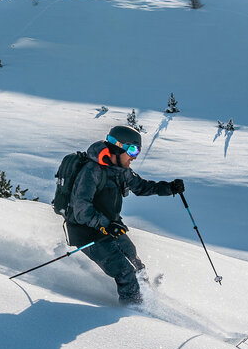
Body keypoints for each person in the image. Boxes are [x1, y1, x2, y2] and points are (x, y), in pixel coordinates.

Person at [65, 125, 185, 304]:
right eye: (133, 150)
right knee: (125, 271)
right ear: (118, 147)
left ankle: (148, 302)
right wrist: (106, 224)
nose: (134, 157)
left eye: (138, 152)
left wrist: (169, 188)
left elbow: (141, 187)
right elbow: (81, 209)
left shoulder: (121, 170)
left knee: (137, 265)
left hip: (110, 227)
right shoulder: (92, 171)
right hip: (87, 232)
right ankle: (133, 311)